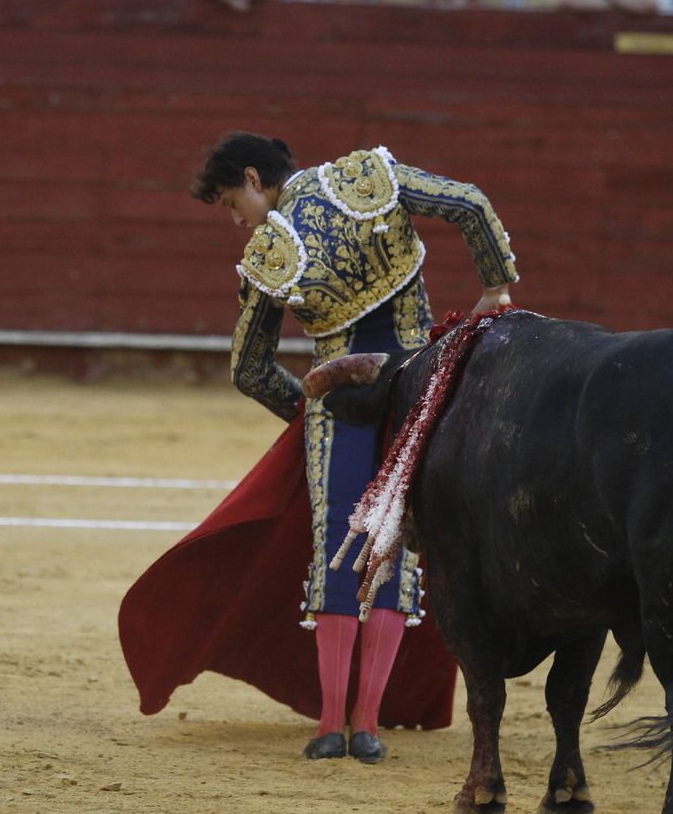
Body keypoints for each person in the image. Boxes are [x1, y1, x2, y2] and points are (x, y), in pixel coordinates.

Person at [188, 133, 517, 763]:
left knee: (338, 547)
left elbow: (249, 370)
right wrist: (495, 287)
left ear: (255, 178)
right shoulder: (368, 177)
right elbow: (470, 204)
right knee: (392, 544)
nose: (236, 221)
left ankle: (329, 724)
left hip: (336, 407)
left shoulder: (269, 251)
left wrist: (302, 413)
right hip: (416, 394)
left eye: (233, 203)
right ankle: (368, 725)